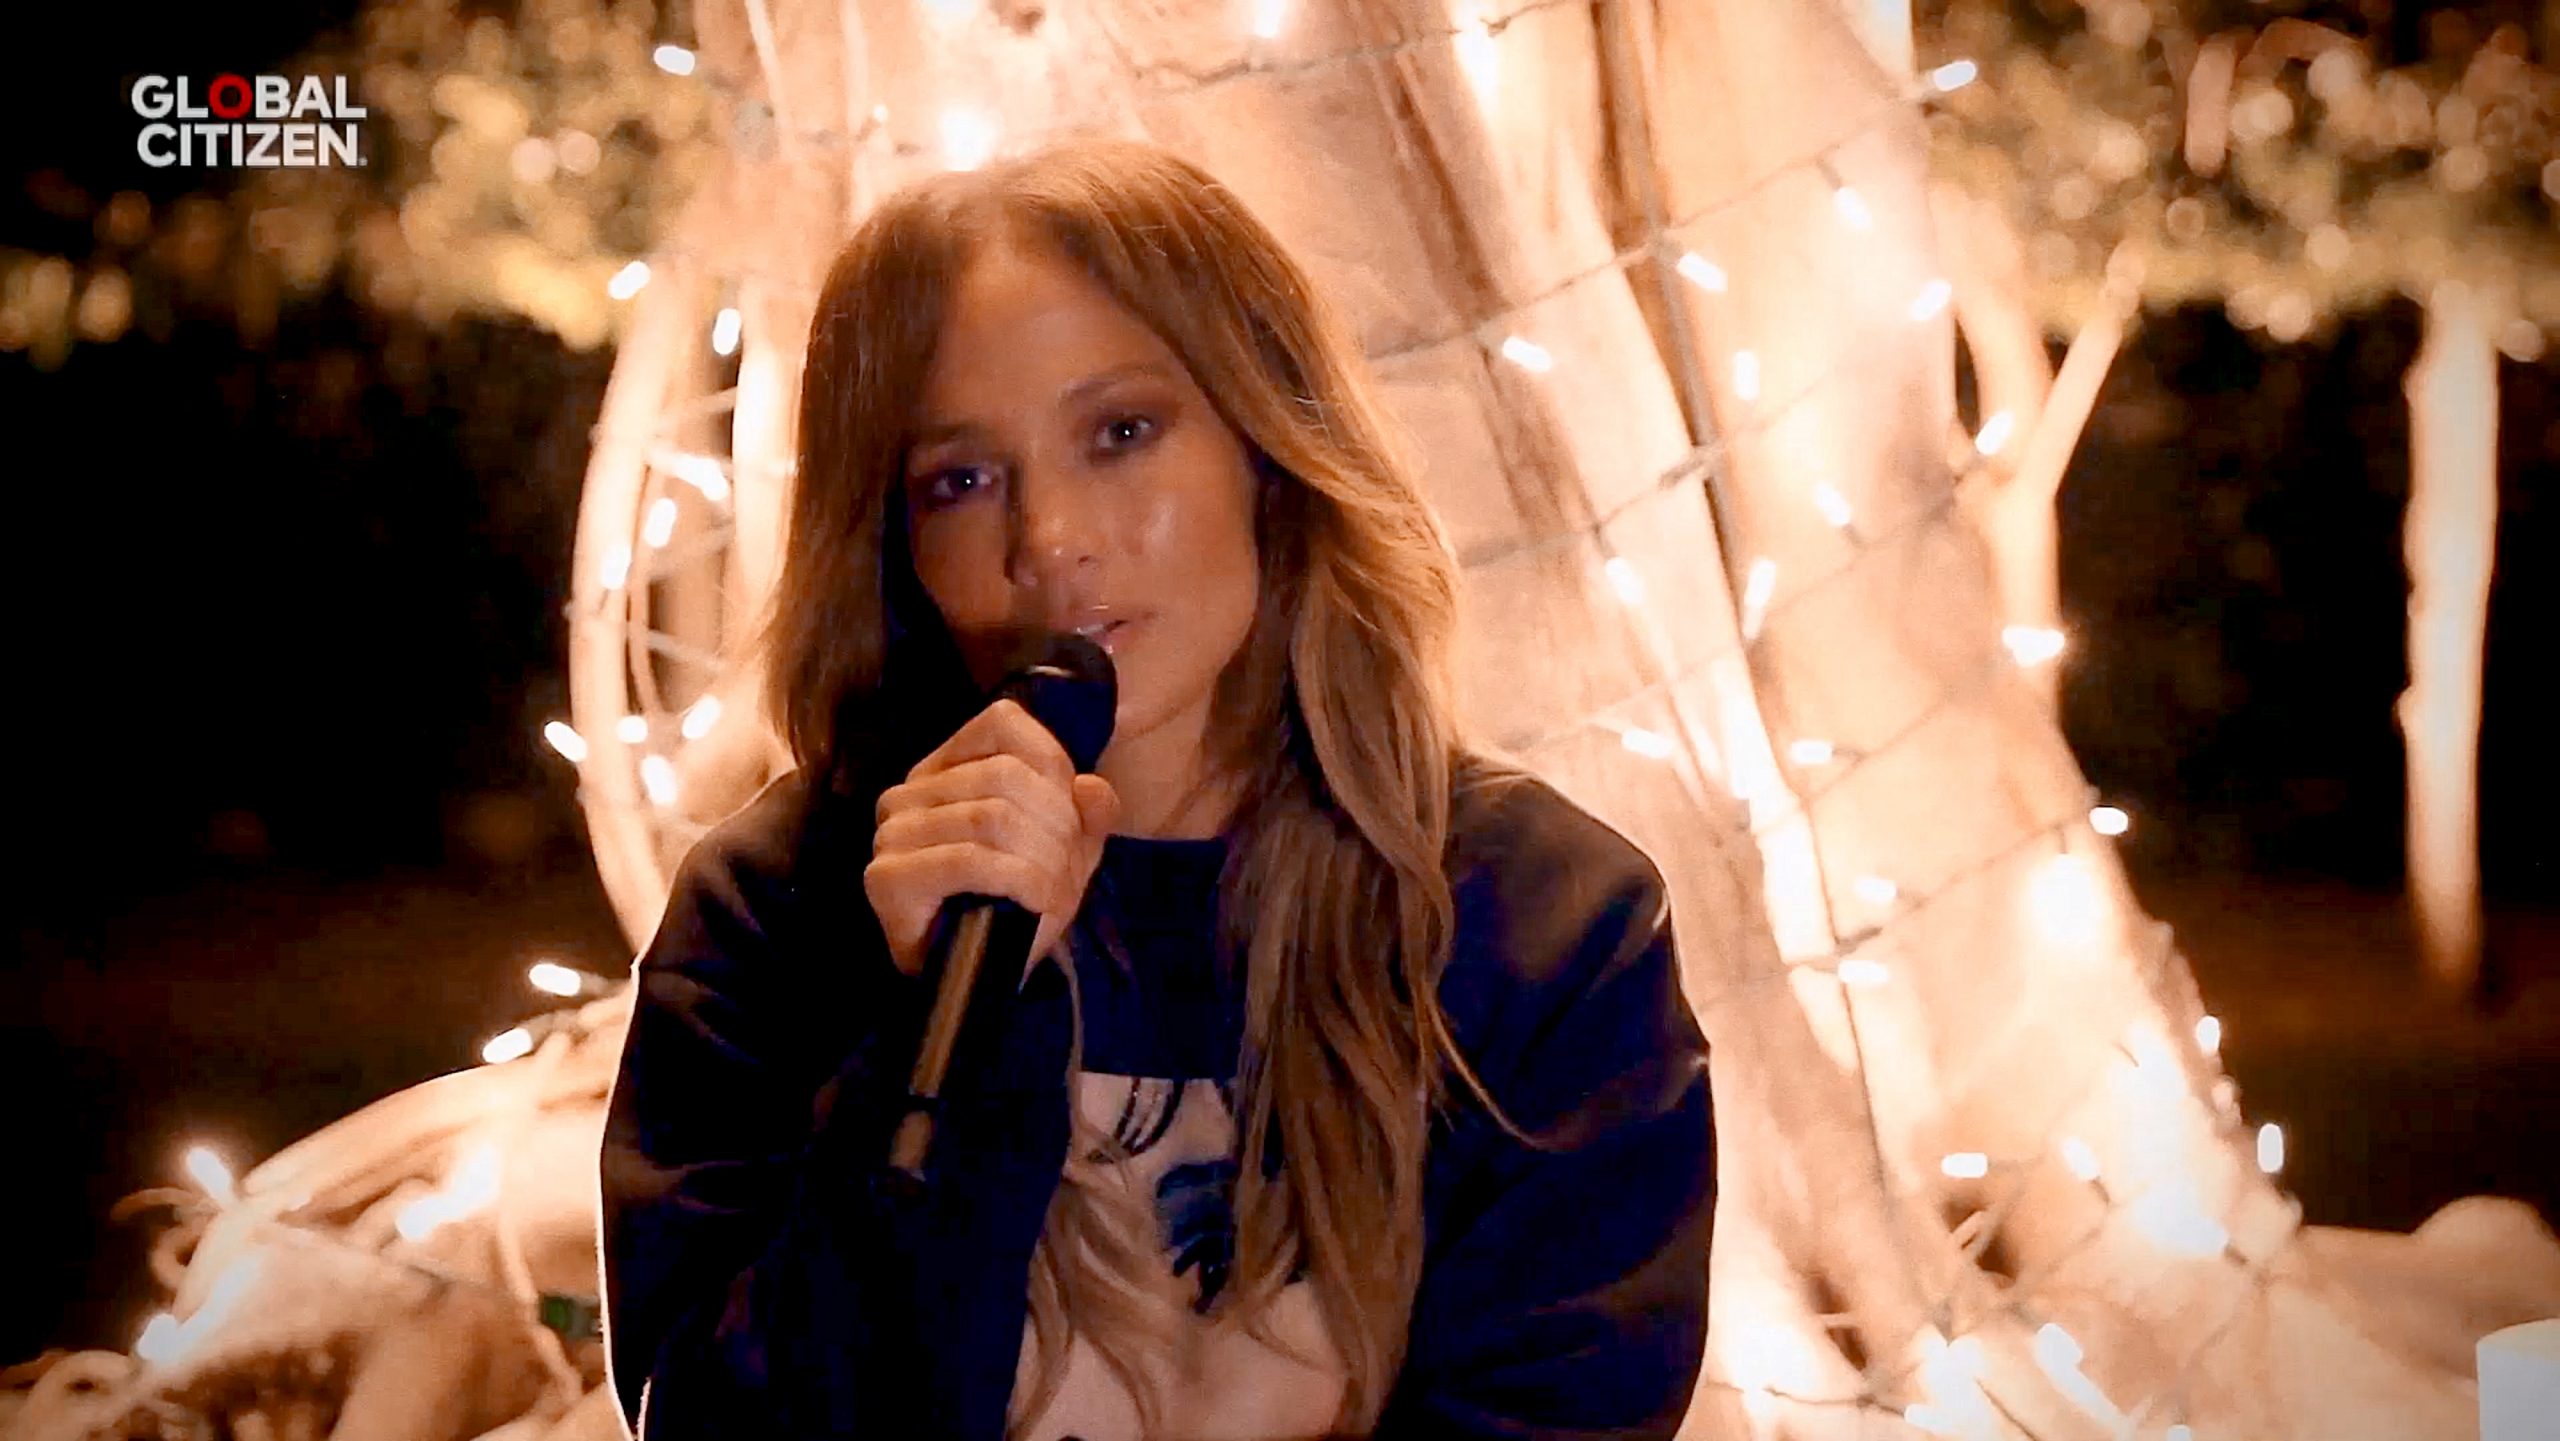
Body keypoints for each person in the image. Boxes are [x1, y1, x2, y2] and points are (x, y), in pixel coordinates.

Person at [596, 135, 1716, 1441]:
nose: (1051, 540)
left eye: (1122, 433)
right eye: (961, 480)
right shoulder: (774, 910)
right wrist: (948, 1036)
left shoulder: (1545, 922)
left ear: (1266, 449)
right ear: (893, 540)